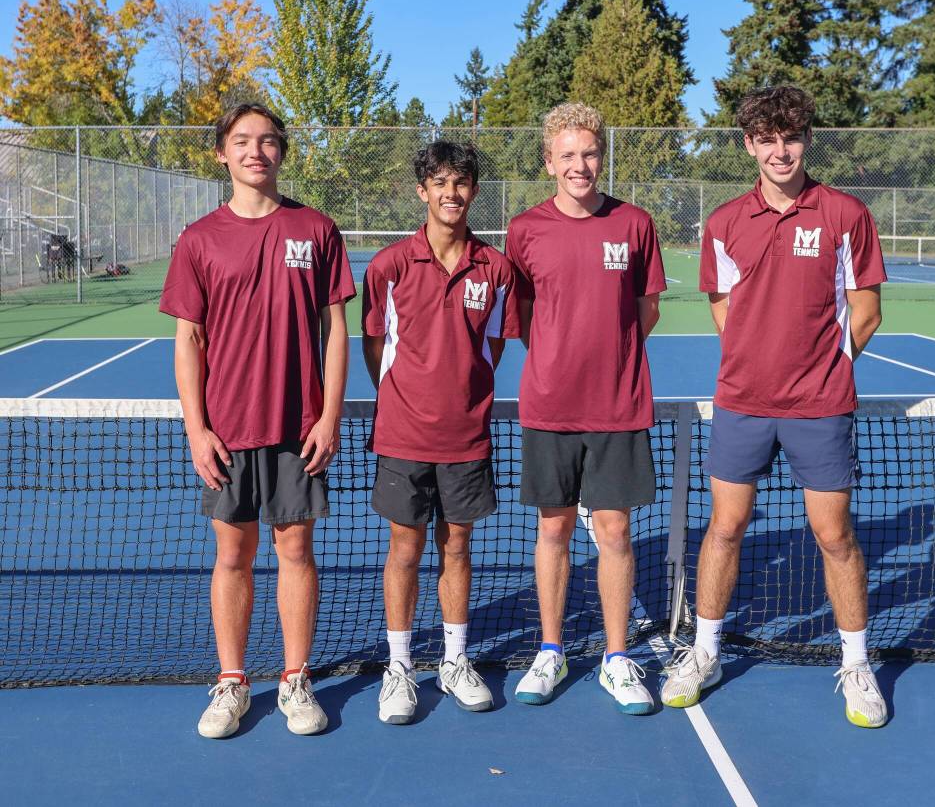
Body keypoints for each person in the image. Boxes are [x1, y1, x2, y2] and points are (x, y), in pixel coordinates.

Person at [661, 85, 889, 728]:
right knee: (725, 528)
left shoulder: (845, 214)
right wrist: (755, 361)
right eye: (767, 139)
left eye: (790, 137)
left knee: (834, 536)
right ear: (749, 146)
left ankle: (855, 662)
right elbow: (721, 306)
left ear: (807, 140)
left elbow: (866, 310)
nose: (780, 150)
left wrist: (823, 368)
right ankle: (704, 651)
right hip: (743, 404)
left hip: (820, 407)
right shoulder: (725, 222)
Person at [160, 102, 355, 738]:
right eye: (242, 141)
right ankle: (233, 681)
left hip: (298, 429)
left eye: (268, 141)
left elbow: (335, 331)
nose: (255, 151)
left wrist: (328, 417)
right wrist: (197, 428)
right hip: (227, 429)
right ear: (222, 153)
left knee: (296, 550)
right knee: (233, 555)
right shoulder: (197, 239)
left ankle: (296, 680)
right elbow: (188, 341)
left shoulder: (317, 229)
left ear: (281, 153)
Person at [504, 102, 666, 714]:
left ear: (603, 155)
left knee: (615, 531)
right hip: (549, 405)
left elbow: (646, 311)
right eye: (567, 155)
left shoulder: (635, 224)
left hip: (618, 407)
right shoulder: (525, 230)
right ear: (549, 162)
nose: (580, 165)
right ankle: (551, 650)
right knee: (554, 528)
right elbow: (520, 315)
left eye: (590, 153)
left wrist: (609, 360)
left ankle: (618, 658)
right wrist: (559, 358)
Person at [362, 141, 520, 725]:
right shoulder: (389, 266)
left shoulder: (496, 268)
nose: (450, 193)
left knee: (458, 546)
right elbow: (375, 345)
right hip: (402, 436)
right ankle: (399, 667)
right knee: (404, 548)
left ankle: (454, 660)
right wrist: (408, 398)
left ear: (473, 191)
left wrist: (462, 392)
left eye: (461, 183)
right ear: (422, 191)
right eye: (439, 183)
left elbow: (496, 344)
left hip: (467, 437)